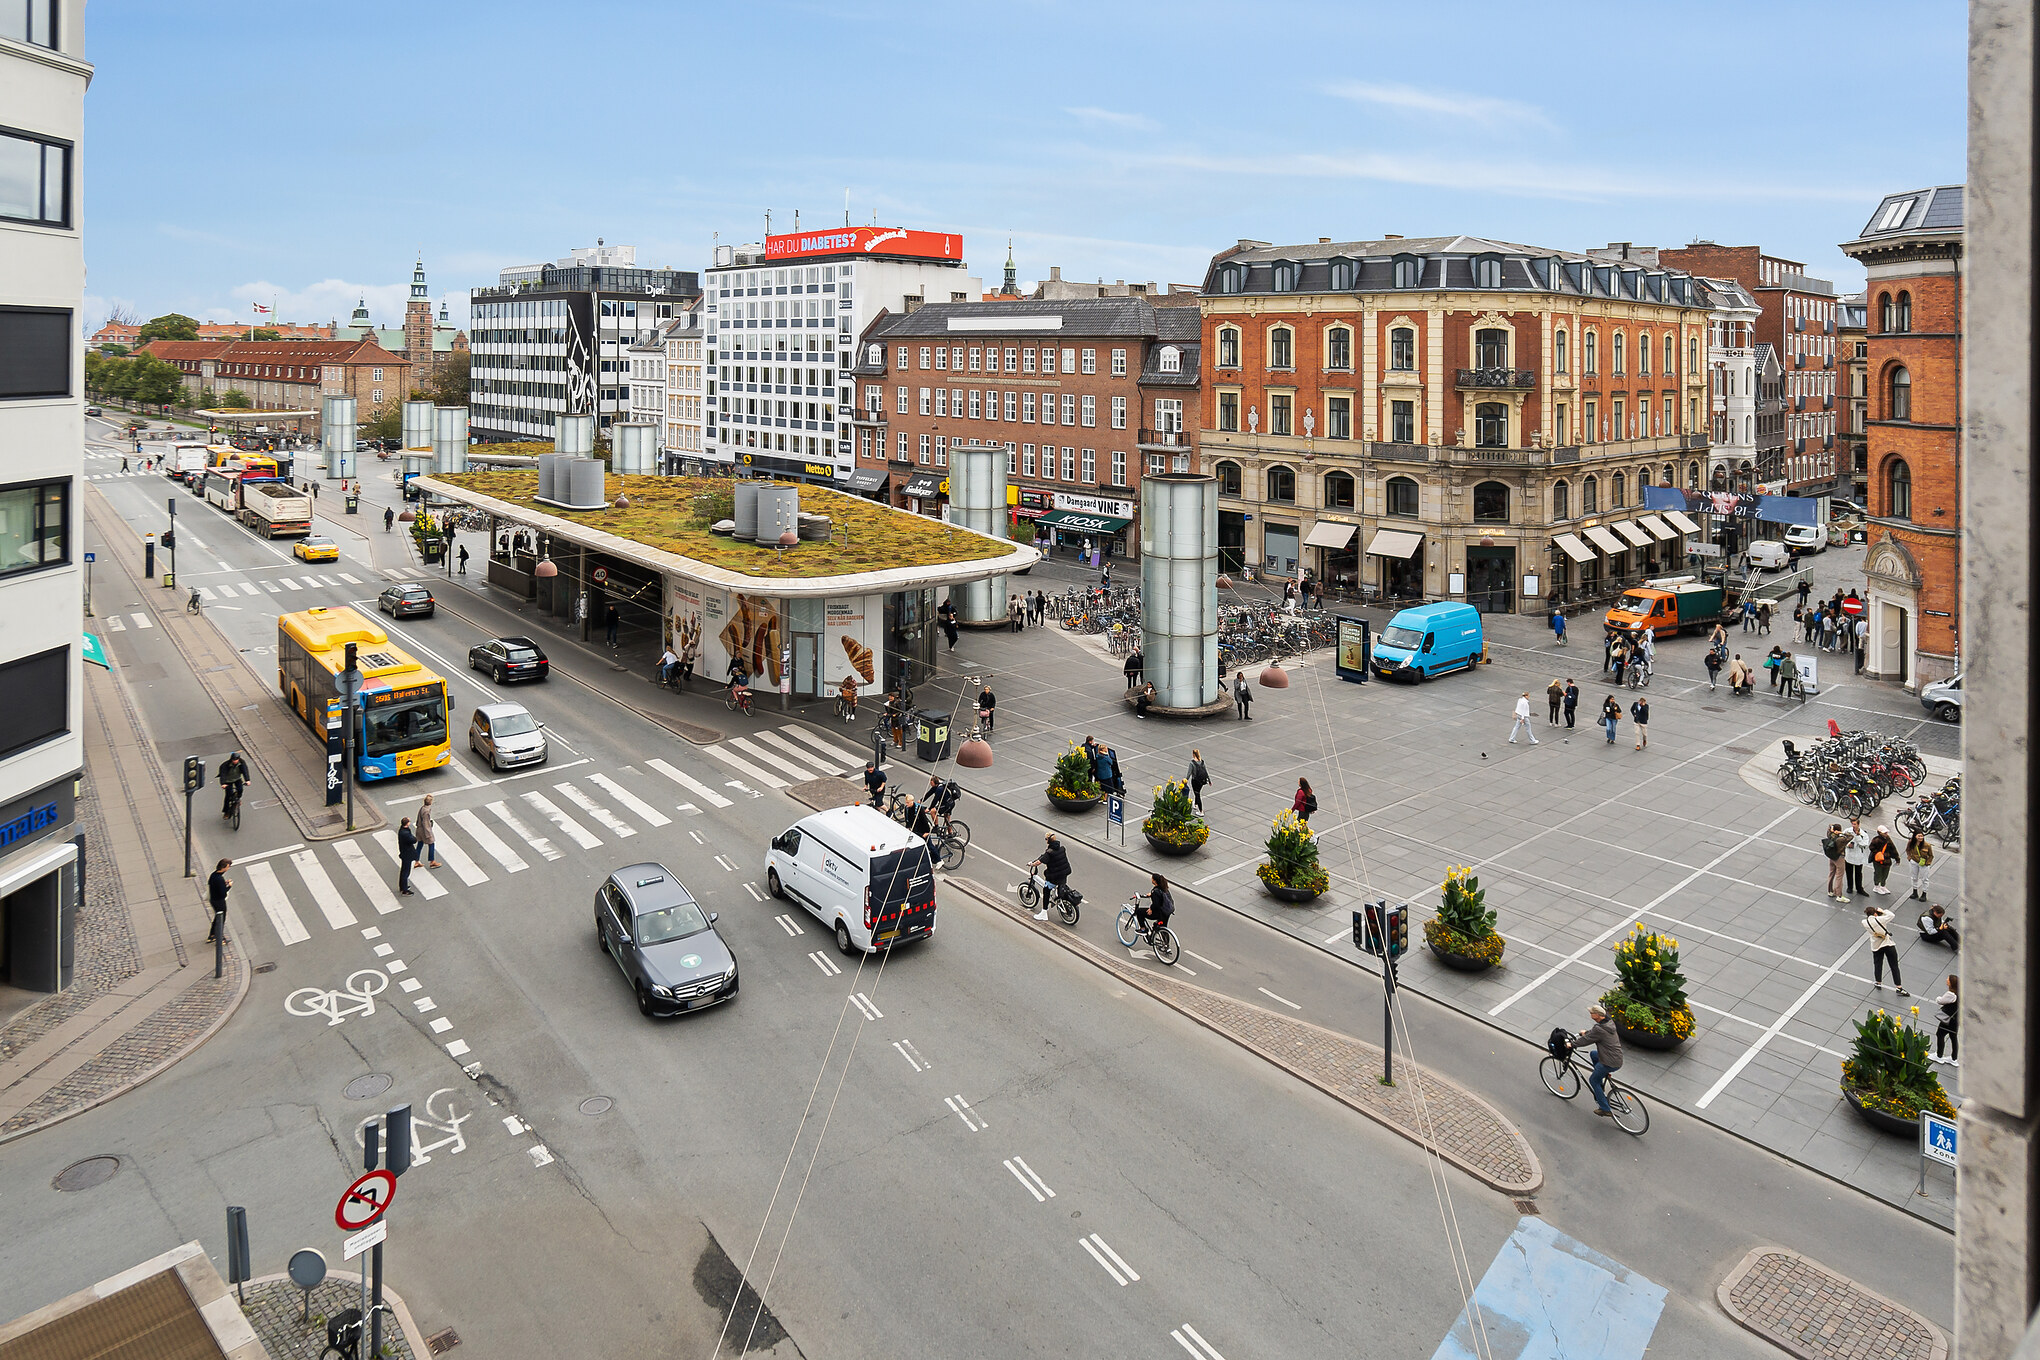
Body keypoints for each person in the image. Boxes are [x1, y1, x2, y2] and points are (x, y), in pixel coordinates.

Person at [1577, 1004, 1625, 1117]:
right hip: (1617, 1059)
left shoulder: (1599, 1029)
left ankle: (1605, 1108)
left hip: (1608, 1062)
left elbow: (1587, 1040)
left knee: (1593, 1080)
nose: (1590, 1014)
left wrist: (1572, 1044)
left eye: (1591, 1013)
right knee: (1594, 1054)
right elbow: (1595, 1034)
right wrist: (1586, 1033)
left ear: (1597, 1015)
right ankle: (1602, 1077)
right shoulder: (1609, 1023)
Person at [1863, 903, 1908, 995]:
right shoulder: (1881, 919)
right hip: (1887, 944)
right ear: (1875, 913)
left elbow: (1873, 921)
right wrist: (1882, 911)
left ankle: (1878, 982)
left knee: (1878, 964)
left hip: (1876, 946)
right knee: (1894, 966)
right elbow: (1891, 915)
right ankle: (1898, 987)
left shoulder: (1864, 922)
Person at [1034, 833, 1072, 922]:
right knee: (1057, 885)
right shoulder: (1061, 848)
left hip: (1055, 876)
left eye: (1045, 839)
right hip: (1064, 874)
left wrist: (1031, 864)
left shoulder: (1049, 853)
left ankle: (1044, 913)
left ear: (1048, 840)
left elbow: (1039, 862)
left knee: (1046, 890)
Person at [1932, 976, 1959, 1065]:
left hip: (1948, 1020)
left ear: (1951, 983)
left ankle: (1939, 1056)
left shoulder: (1950, 994)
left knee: (1939, 1034)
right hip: (1956, 1020)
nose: (1946, 980)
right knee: (1953, 1038)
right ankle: (1954, 1058)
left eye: (1948, 979)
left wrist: (1938, 998)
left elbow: (1940, 1001)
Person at [206, 858, 232, 944]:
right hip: (219, 902)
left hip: (213, 900)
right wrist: (229, 886)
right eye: (228, 867)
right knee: (221, 919)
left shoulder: (213, 875)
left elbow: (213, 885)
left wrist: (223, 884)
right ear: (223, 867)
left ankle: (212, 935)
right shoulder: (219, 879)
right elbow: (223, 893)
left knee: (217, 918)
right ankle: (220, 939)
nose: (228, 868)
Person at [1822, 823, 1850, 902]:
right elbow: (1850, 836)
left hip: (1832, 857)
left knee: (1831, 873)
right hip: (1839, 858)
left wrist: (1831, 830)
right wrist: (1842, 833)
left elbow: (1828, 830)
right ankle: (1839, 895)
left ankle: (1830, 891)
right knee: (1839, 876)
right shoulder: (1840, 839)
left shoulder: (1831, 836)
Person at [216, 751, 249, 817]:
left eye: (236, 760)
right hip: (228, 780)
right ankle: (226, 812)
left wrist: (247, 780)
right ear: (231, 759)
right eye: (233, 760)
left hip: (237, 779)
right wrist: (223, 783)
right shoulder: (225, 765)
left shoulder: (241, 763)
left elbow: (245, 771)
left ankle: (238, 799)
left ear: (238, 759)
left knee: (240, 789)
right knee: (228, 795)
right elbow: (223, 774)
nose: (235, 761)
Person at [1868, 825, 1899, 894]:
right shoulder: (1876, 840)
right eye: (1884, 833)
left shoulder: (1887, 839)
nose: (1886, 834)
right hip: (1879, 860)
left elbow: (1893, 848)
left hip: (1886, 860)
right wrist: (1878, 853)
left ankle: (1882, 886)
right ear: (1879, 832)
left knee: (1885, 873)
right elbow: (1871, 847)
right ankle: (1876, 886)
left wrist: (1897, 858)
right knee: (1878, 873)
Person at [1844, 816, 1870, 897]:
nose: (1853, 826)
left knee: (1858, 874)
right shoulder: (1847, 831)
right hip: (1849, 856)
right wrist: (1848, 845)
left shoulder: (1863, 834)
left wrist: (1858, 836)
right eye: (1852, 824)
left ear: (1858, 824)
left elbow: (1864, 844)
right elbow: (1842, 840)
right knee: (1849, 872)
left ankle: (1859, 888)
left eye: (1855, 824)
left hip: (1859, 857)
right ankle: (1850, 887)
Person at [1906, 831, 1936, 901]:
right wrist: (1909, 858)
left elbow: (1931, 855)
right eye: (1919, 836)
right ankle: (1915, 892)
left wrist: (1927, 863)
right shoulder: (1911, 843)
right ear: (1915, 836)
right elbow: (1908, 850)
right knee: (1914, 877)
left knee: (1924, 879)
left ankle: (1924, 894)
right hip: (1914, 862)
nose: (1920, 838)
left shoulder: (1927, 845)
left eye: (1921, 836)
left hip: (1924, 864)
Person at [396, 817, 420, 896]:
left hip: (404, 853)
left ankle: (402, 886)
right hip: (407, 854)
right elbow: (413, 840)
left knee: (403, 871)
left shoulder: (402, 830)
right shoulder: (405, 833)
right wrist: (414, 838)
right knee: (406, 872)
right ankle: (405, 890)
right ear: (407, 823)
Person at [418, 793, 441, 869]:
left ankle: (416, 860)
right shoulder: (427, 811)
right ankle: (432, 862)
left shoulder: (422, 808)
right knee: (431, 844)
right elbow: (426, 823)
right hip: (425, 831)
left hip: (419, 829)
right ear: (430, 802)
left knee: (420, 845)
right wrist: (429, 834)